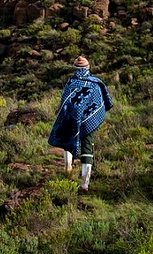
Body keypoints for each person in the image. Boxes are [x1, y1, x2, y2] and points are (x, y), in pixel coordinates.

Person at [48, 55, 114, 193]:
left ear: (75, 68)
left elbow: (65, 103)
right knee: (87, 148)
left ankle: (68, 169)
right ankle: (85, 184)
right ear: (88, 68)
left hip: (71, 119)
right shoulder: (96, 84)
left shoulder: (71, 83)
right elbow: (100, 104)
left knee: (68, 139)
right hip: (89, 122)